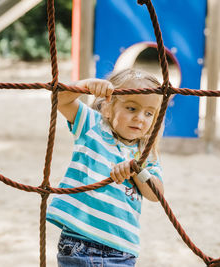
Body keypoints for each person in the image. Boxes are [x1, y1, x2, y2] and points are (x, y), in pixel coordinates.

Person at [46, 68, 164, 266]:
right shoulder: (93, 126)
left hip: (122, 250)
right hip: (79, 243)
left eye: (149, 113)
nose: (140, 118)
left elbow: (156, 194)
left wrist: (137, 170)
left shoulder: (146, 152)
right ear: (108, 108)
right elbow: (60, 99)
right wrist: (85, 85)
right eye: (132, 109)